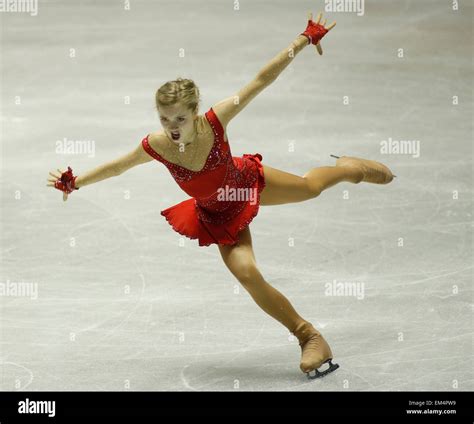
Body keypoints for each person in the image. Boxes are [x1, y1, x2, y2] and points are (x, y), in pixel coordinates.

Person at [47, 12, 394, 379]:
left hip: (246, 183)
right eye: (165, 120)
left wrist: (304, 39)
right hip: (217, 215)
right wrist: (77, 182)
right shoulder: (158, 145)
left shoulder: (215, 121)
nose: (172, 128)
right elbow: (118, 166)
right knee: (247, 273)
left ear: (195, 113)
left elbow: (262, 79)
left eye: (179, 119)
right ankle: (308, 336)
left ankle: (351, 169)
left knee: (311, 187)